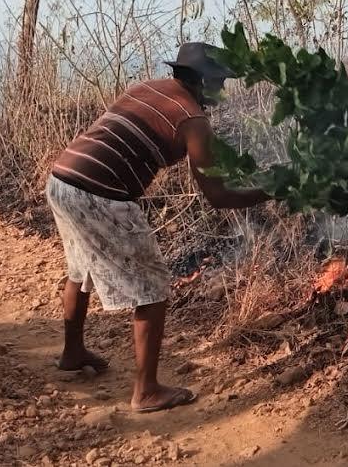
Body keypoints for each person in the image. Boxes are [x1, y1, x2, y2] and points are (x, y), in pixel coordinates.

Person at [46, 42, 269, 413]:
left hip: (62, 179)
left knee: (80, 267)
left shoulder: (146, 87)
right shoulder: (193, 120)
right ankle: (146, 391)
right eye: (219, 82)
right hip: (101, 194)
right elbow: (217, 195)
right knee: (152, 289)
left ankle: (72, 352)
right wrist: (269, 192)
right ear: (203, 81)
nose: (222, 91)